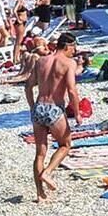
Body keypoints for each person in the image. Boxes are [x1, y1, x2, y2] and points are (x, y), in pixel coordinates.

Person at [25, 35, 80, 202]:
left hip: (39, 107)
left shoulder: (41, 61)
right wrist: (77, 112)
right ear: (67, 46)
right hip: (54, 108)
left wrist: (32, 106)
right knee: (65, 144)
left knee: (40, 153)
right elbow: (71, 90)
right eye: (74, 48)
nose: (75, 51)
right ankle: (47, 172)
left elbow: (28, 86)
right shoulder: (69, 63)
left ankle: (40, 194)